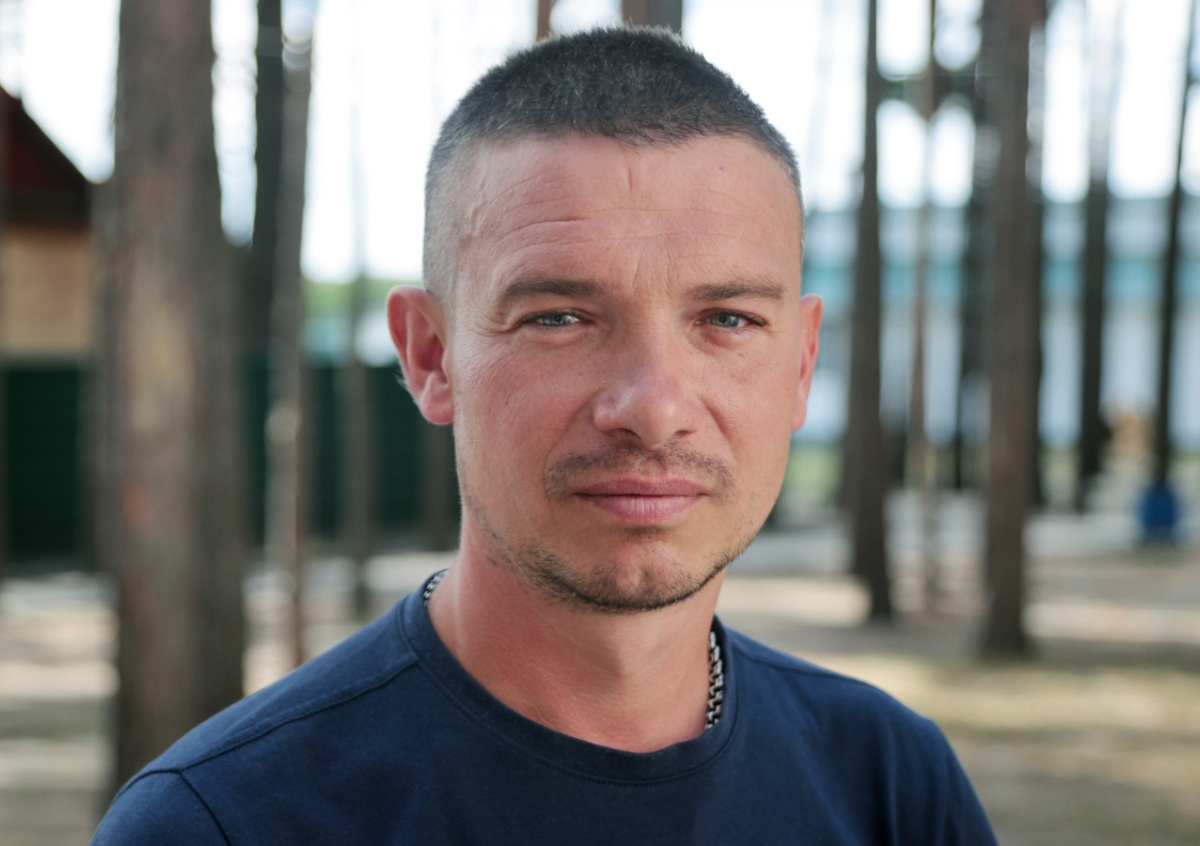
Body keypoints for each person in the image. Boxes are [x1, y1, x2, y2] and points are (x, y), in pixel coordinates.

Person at [94, 27, 997, 844]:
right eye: (560, 317)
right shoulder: (219, 825)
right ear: (431, 355)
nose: (652, 407)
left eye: (727, 320)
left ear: (799, 364)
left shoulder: (890, 784)